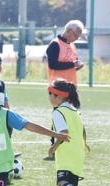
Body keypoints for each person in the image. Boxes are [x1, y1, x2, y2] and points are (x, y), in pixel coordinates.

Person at [48, 78, 90, 186]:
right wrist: (85, 145)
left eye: (50, 94)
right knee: (71, 184)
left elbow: (63, 131)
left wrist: (53, 147)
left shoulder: (58, 112)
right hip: (78, 152)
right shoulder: (74, 111)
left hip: (67, 152)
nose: (49, 98)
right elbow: (83, 130)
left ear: (58, 97)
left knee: (62, 181)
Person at [46, 20, 84, 153]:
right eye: (76, 35)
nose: (77, 39)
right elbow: (53, 64)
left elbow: (71, 65)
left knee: (72, 114)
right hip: (57, 88)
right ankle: (55, 143)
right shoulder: (55, 45)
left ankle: (69, 140)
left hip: (70, 87)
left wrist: (77, 66)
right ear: (68, 31)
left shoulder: (72, 46)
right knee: (58, 115)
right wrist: (72, 64)